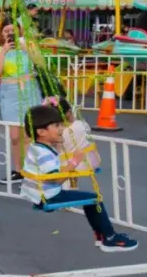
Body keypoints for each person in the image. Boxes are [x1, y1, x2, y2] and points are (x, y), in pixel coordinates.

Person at [22, 105, 137, 251]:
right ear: (41, 132)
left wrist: (67, 158)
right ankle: (110, 238)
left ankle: (102, 235)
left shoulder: (37, 147)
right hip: (48, 196)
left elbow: (52, 169)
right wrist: (74, 162)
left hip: (38, 194)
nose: (62, 129)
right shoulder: (45, 155)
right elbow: (56, 179)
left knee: (90, 201)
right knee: (95, 199)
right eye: (57, 125)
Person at [0, 23, 42, 184]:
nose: (10, 33)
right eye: (6, 31)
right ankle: (18, 170)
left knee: (28, 134)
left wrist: (26, 47)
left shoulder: (27, 45)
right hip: (9, 91)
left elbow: (41, 63)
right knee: (14, 136)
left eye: (13, 30)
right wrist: (4, 51)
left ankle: (31, 170)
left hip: (29, 89)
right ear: (1, 34)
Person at [47, 97, 100, 172]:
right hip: (93, 160)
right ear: (69, 112)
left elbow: (56, 149)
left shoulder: (60, 132)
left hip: (75, 164)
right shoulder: (82, 124)